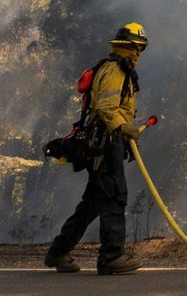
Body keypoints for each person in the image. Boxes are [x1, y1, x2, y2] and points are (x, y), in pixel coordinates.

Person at [45, 22, 150, 275]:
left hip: (102, 142)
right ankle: (112, 257)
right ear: (128, 48)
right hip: (106, 142)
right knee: (114, 196)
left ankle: (58, 252)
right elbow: (106, 108)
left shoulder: (113, 67)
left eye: (140, 49)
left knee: (93, 202)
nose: (138, 53)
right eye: (136, 48)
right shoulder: (116, 70)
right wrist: (124, 129)